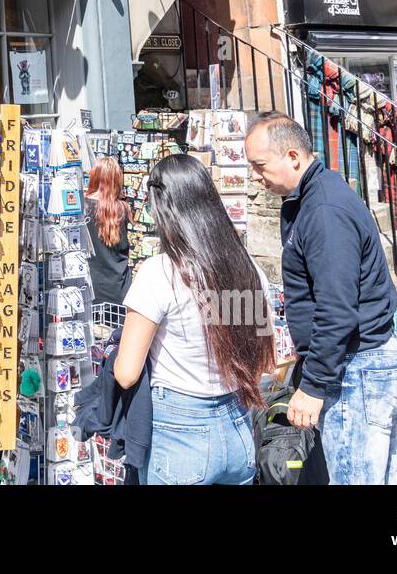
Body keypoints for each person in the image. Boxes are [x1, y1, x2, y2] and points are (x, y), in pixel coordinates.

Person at [245, 112, 397, 485]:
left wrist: (314, 386)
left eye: (259, 165)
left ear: (293, 157)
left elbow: (337, 308)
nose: (255, 176)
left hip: (357, 368)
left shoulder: (323, 210)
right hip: (359, 364)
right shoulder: (314, 197)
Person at [113, 153, 276, 485]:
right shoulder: (248, 271)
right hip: (238, 428)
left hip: (179, 433)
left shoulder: (161, 273)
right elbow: (266, 363)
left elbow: (126, 373)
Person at [85, 157, 131, 306]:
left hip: (90, 287)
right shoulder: (122, 208)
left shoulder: (82, 207)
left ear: (95, 176)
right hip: (118, 288)